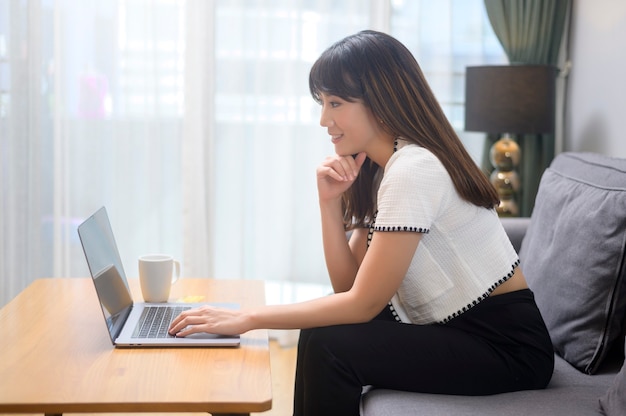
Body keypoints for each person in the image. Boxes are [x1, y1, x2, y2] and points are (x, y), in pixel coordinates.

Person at [169, 30, 554, 416]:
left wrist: (248, 319)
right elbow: (348, 287)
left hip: (507, 346)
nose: (324, 119)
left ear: (382, 101)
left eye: (335, 102)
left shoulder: (414, 170)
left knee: (329, 344)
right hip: (454, 329)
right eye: (322, 102)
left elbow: (362, 304)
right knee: (323, 332)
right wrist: (329, 204)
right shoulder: (381, 168)